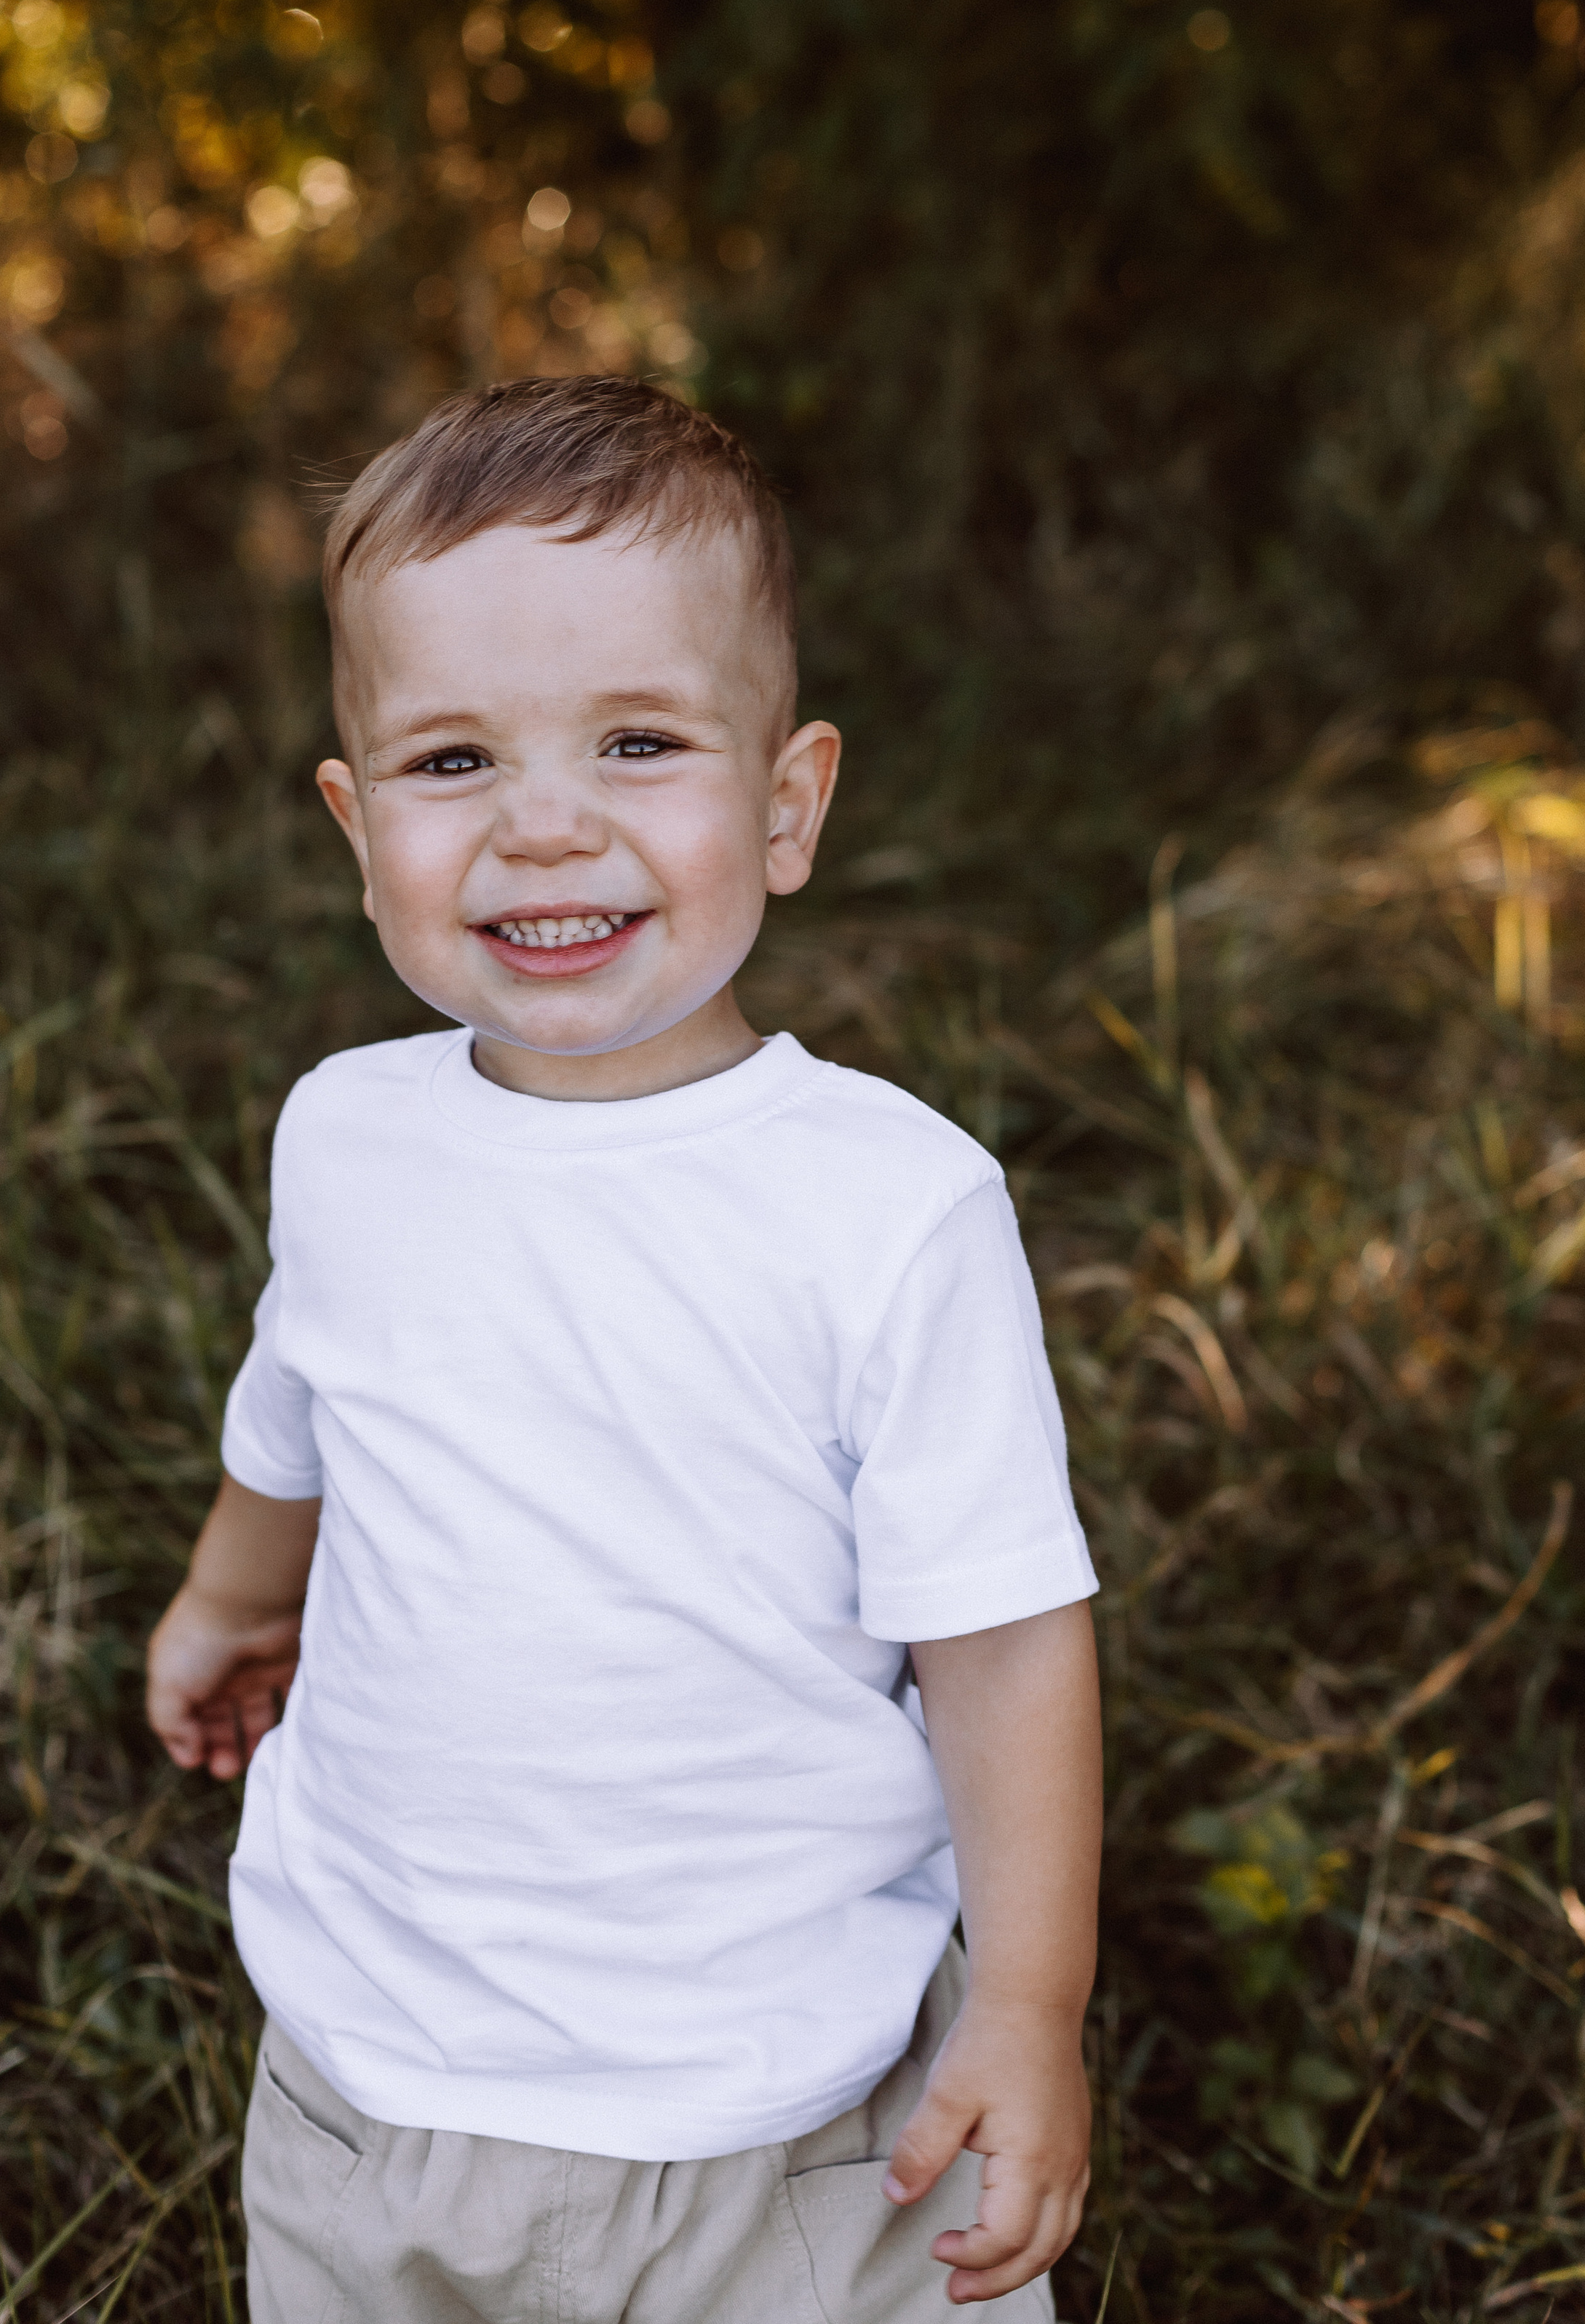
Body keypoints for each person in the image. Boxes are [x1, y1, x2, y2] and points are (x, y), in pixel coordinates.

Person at [146, 375, 1103, 2321]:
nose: (544, 825)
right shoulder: (347, 1129)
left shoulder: (886, 1207)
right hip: (372, 2077)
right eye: (451, 763)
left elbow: (999, 1637)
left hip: (787, 2112)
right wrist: (228, 1602)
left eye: (639, 741)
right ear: (355, 821)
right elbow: (302, 1411)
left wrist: (1027, 2005)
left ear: (787, 800)